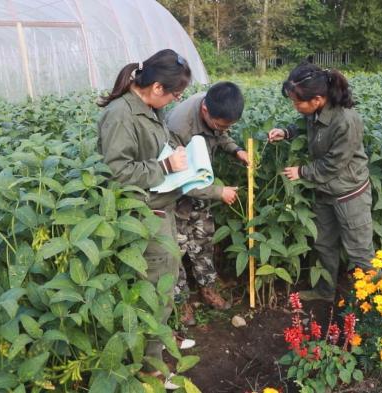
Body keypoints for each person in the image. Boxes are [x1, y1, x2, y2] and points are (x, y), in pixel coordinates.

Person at [96, 49, 190, 381]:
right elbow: (116, 171)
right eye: (176, 94)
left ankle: (155, 352)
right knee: (154, 289)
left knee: (162, 286)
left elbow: (149, 150)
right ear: (156, 88)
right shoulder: (121, 115)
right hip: (144, 216)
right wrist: (165, 166)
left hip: (159, 208)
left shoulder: (148, 109)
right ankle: (149, 368)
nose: (177, 100)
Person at [267, 63, 374, 302]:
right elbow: (310, 131)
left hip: (349, 194)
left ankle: (373, 305)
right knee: (324, 245)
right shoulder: (314, 112)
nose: (295, 106)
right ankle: (325, 292)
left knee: (359, 252)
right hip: (325, 191)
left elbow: (334, 163)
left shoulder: (346, 121)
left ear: (317, 99)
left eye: (298, 102)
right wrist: (287, 132)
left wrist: (302, 172)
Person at [165, 82, 247, 325]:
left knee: (203, 235)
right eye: (221, 125)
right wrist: (219, 192)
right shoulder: (179, 128)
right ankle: (180, 303)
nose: (224, 129)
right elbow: (181, 179)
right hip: (176, 190)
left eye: (228, 126)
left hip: (202, 181)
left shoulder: (216, 105)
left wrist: (236, 151)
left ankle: (207, 288)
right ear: (205, 112)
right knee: (176, 247)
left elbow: (220, 135)